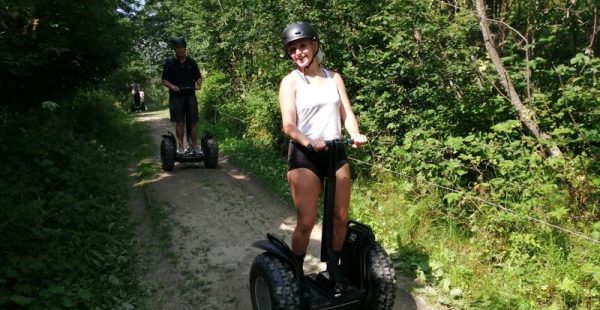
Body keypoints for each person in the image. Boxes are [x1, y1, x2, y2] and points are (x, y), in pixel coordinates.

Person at [278, 22, 368, 269]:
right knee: (306, 222)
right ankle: (295, 270)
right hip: (304, 156)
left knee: (340, 218)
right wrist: (308, 140)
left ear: (315, 45)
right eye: (292, 48)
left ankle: (334, 269)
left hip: (335, 151)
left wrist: (356, 133)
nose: (298, 52)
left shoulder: (333, 78)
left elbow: (346, 113)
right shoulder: (290, 82)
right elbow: (289, 125)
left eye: (303, 45)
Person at [161, 36, 202, 155]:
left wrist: (198, 84)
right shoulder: (169, 62)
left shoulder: (191, 62)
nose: (180, 50)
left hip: (190, 95)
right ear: (174, 49)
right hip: (176, 97)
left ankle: (194, 146)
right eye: (178, 48)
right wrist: (172, 86)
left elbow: (198, 77)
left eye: (182, 48)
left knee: (193, 121)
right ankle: (180, 147)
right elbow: (164, 80)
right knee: (180, 122)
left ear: (185, 48)